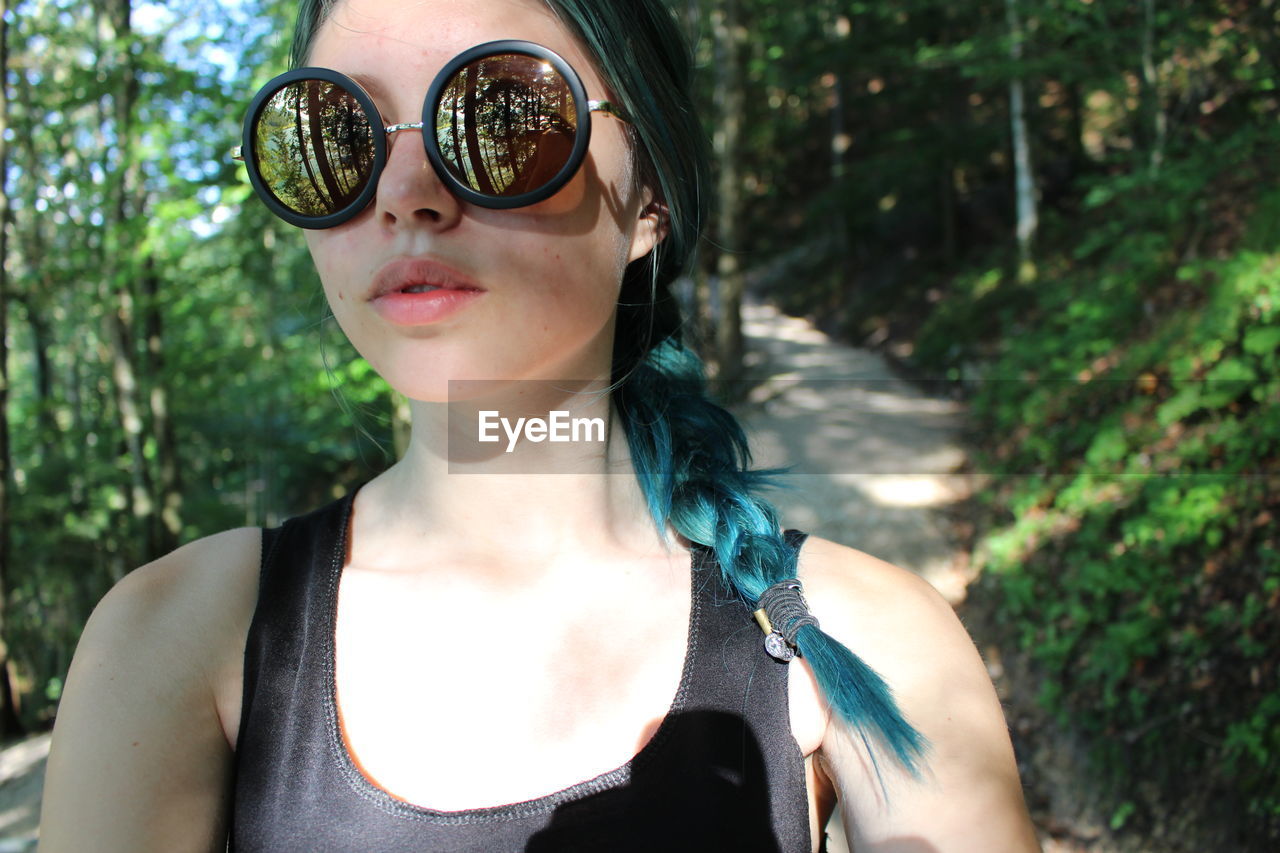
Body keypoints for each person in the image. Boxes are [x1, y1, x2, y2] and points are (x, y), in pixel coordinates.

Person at [37, 0, 1042, 850]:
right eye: (338, 135)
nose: (402, 194)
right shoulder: (173, 641)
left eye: (501, 116)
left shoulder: (871, 643)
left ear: (647, 195)